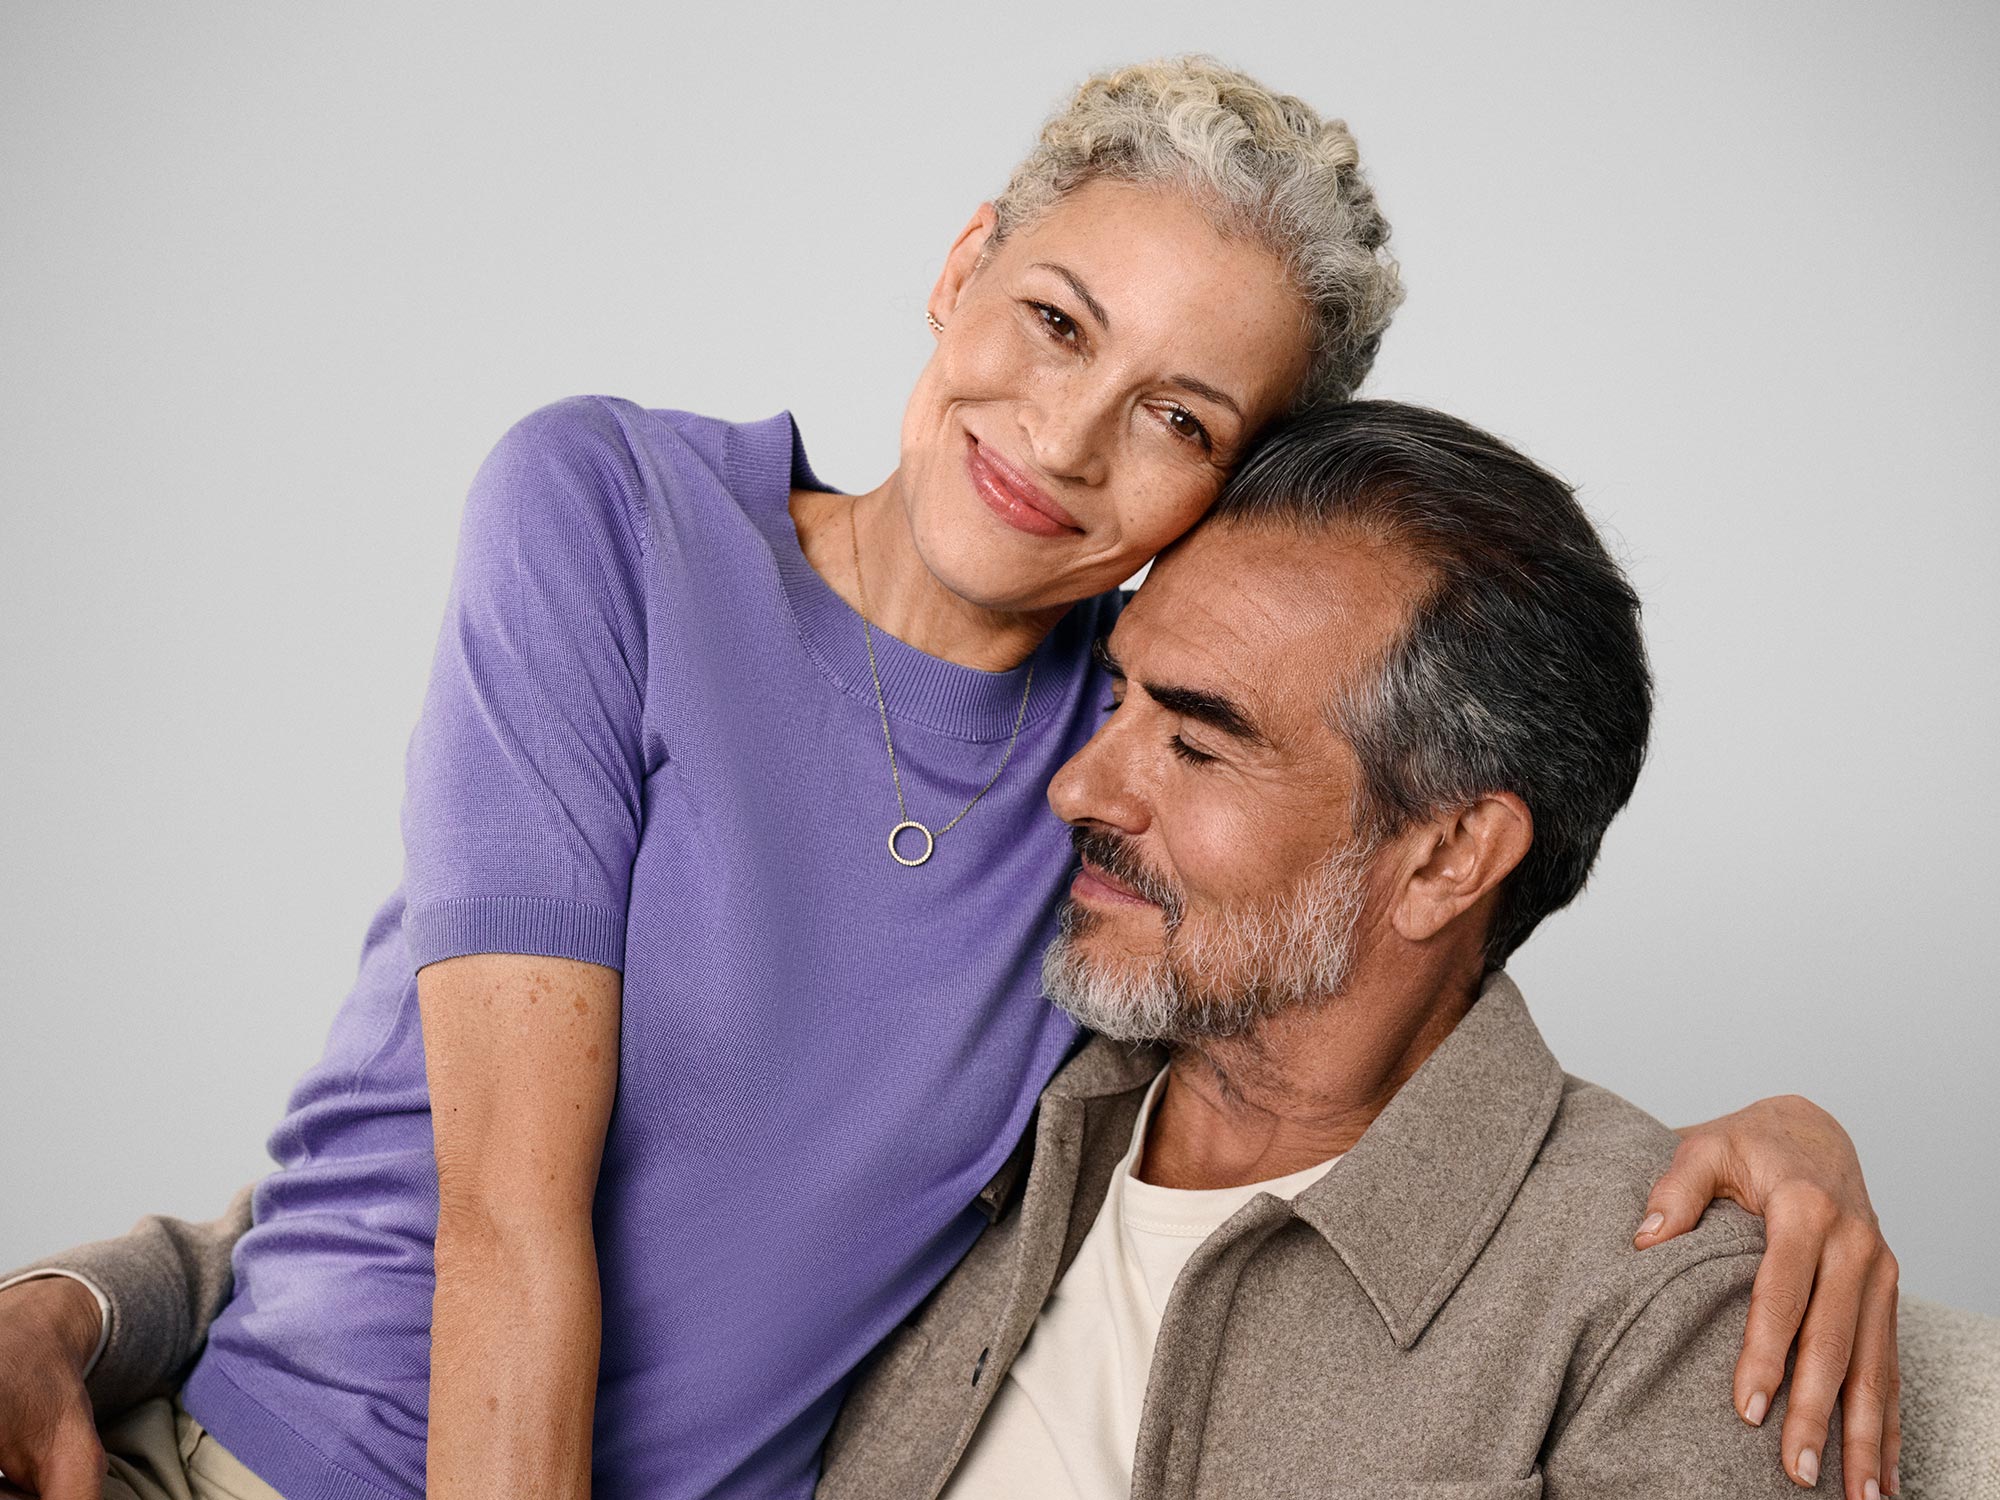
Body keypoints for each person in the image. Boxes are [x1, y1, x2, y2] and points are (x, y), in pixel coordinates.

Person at [0, 58, 1897, 1500]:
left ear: (1225, 495)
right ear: (960, 264)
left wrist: (1783, 1158)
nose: (1062, 437)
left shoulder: (1115, 788)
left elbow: (1356, 1008)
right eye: (1055, 319)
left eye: (1177, 417)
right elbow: (487, 1199)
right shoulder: (618, 516)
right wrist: (81, 1310)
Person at [817, 401, 1858, 1497]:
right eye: (1115, 698)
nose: (1076, 786)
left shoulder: (1670, 1311)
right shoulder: (978, 1078)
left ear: (1446, 857)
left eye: (1194, 744)